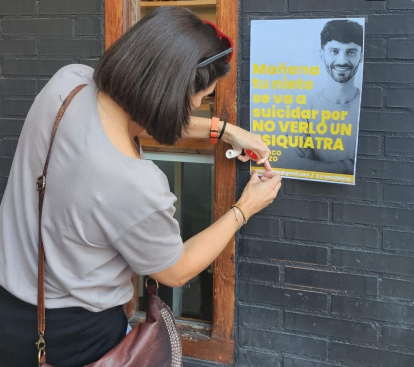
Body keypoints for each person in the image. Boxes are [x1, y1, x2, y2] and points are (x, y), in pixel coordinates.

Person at [0, 6, 281, 367]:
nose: (197, 105)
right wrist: (245, 208)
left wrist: (226, 131)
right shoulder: (133, 182)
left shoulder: (68, 84)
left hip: (10, 308)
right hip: (75, 335)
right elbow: (175, 270)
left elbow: (134, 118)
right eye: (197, 98)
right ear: (165, 93)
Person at [287, 19, 364, 175]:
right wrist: (347, 166)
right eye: (334, 51)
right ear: (322, 54)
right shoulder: (303, 108)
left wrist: (314, 165)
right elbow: (294, 164)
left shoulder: (367, 106)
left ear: (361, 56)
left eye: (351, 52)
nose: (342, 61)